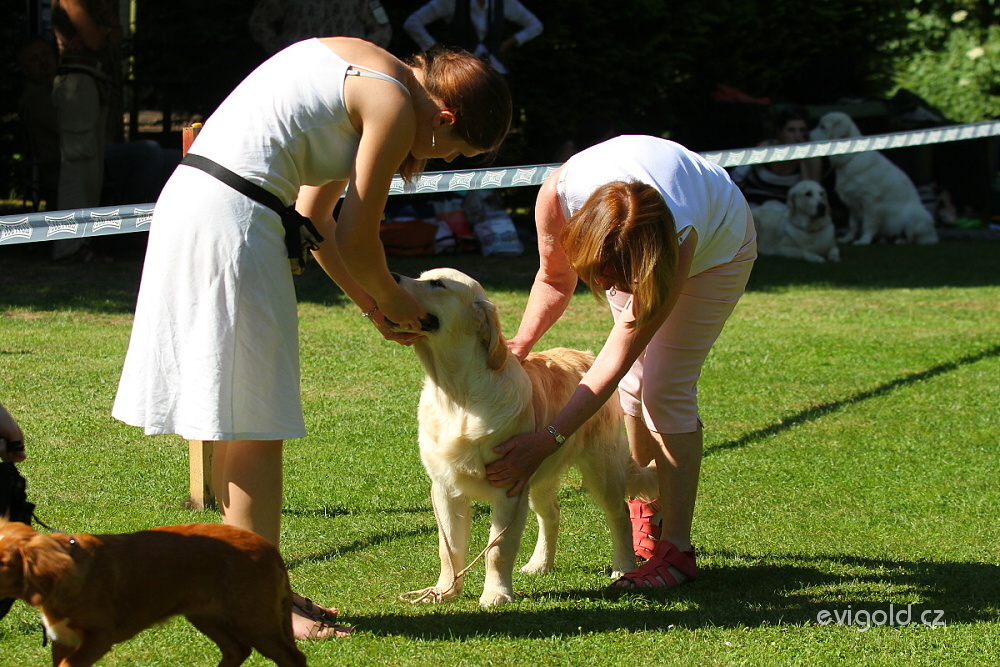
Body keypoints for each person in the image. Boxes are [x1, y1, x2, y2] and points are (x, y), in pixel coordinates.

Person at [112, 37, 511, 638]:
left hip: (210, 207)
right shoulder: (394, 101)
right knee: (255, 424)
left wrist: (373, 307)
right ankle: (259, 600)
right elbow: (357, 237)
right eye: (455, 151)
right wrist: (397, 303)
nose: (445, 161)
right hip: (232, 221)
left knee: (246, 421)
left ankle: (253, 588)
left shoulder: (374, 71)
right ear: (445, 117)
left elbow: (318, 219)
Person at [484, 135, 756, 588]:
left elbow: (616, 354)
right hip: (636, 237)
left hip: (718, 251)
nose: (614, 288)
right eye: (605, 276)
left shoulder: (676, 238)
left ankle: (676, 551)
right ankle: (646, 511)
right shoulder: (558, 196)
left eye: (623, 279)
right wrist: (520, 344)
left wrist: (550, 438)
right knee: (634, 383)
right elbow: (554, 279)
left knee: (665, 388)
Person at [50, 0, 122, 260]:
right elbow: (96, 41)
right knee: (78, 167)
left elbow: (115, 35)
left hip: (93, 82)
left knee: (91, 170)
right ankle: (69, 246)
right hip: (78, 83)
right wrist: (103, 32)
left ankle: (82, 245)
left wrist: (103, 32)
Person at [403, 0, 543, 75]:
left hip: (495, 69)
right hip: (460, 72)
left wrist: (509, 43)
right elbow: (412, 23)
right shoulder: (451, 2)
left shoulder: (503, 3)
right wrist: (436, 49)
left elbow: (535, 25)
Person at [730, 106, 822, 206]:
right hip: (751, 205)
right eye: (791, 130)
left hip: (784, 210)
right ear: (780, 133)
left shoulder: (812, 157)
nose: (797, 136)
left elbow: (811, 195)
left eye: (802, 130)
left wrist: (802, 159)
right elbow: (736, 176)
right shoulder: (767, 148)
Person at [249, 0, 392, 54]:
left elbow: (382, 29)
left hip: (346, 69)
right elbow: (259, 22)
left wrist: (362, 56)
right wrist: (281, 51)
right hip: (300, 68)